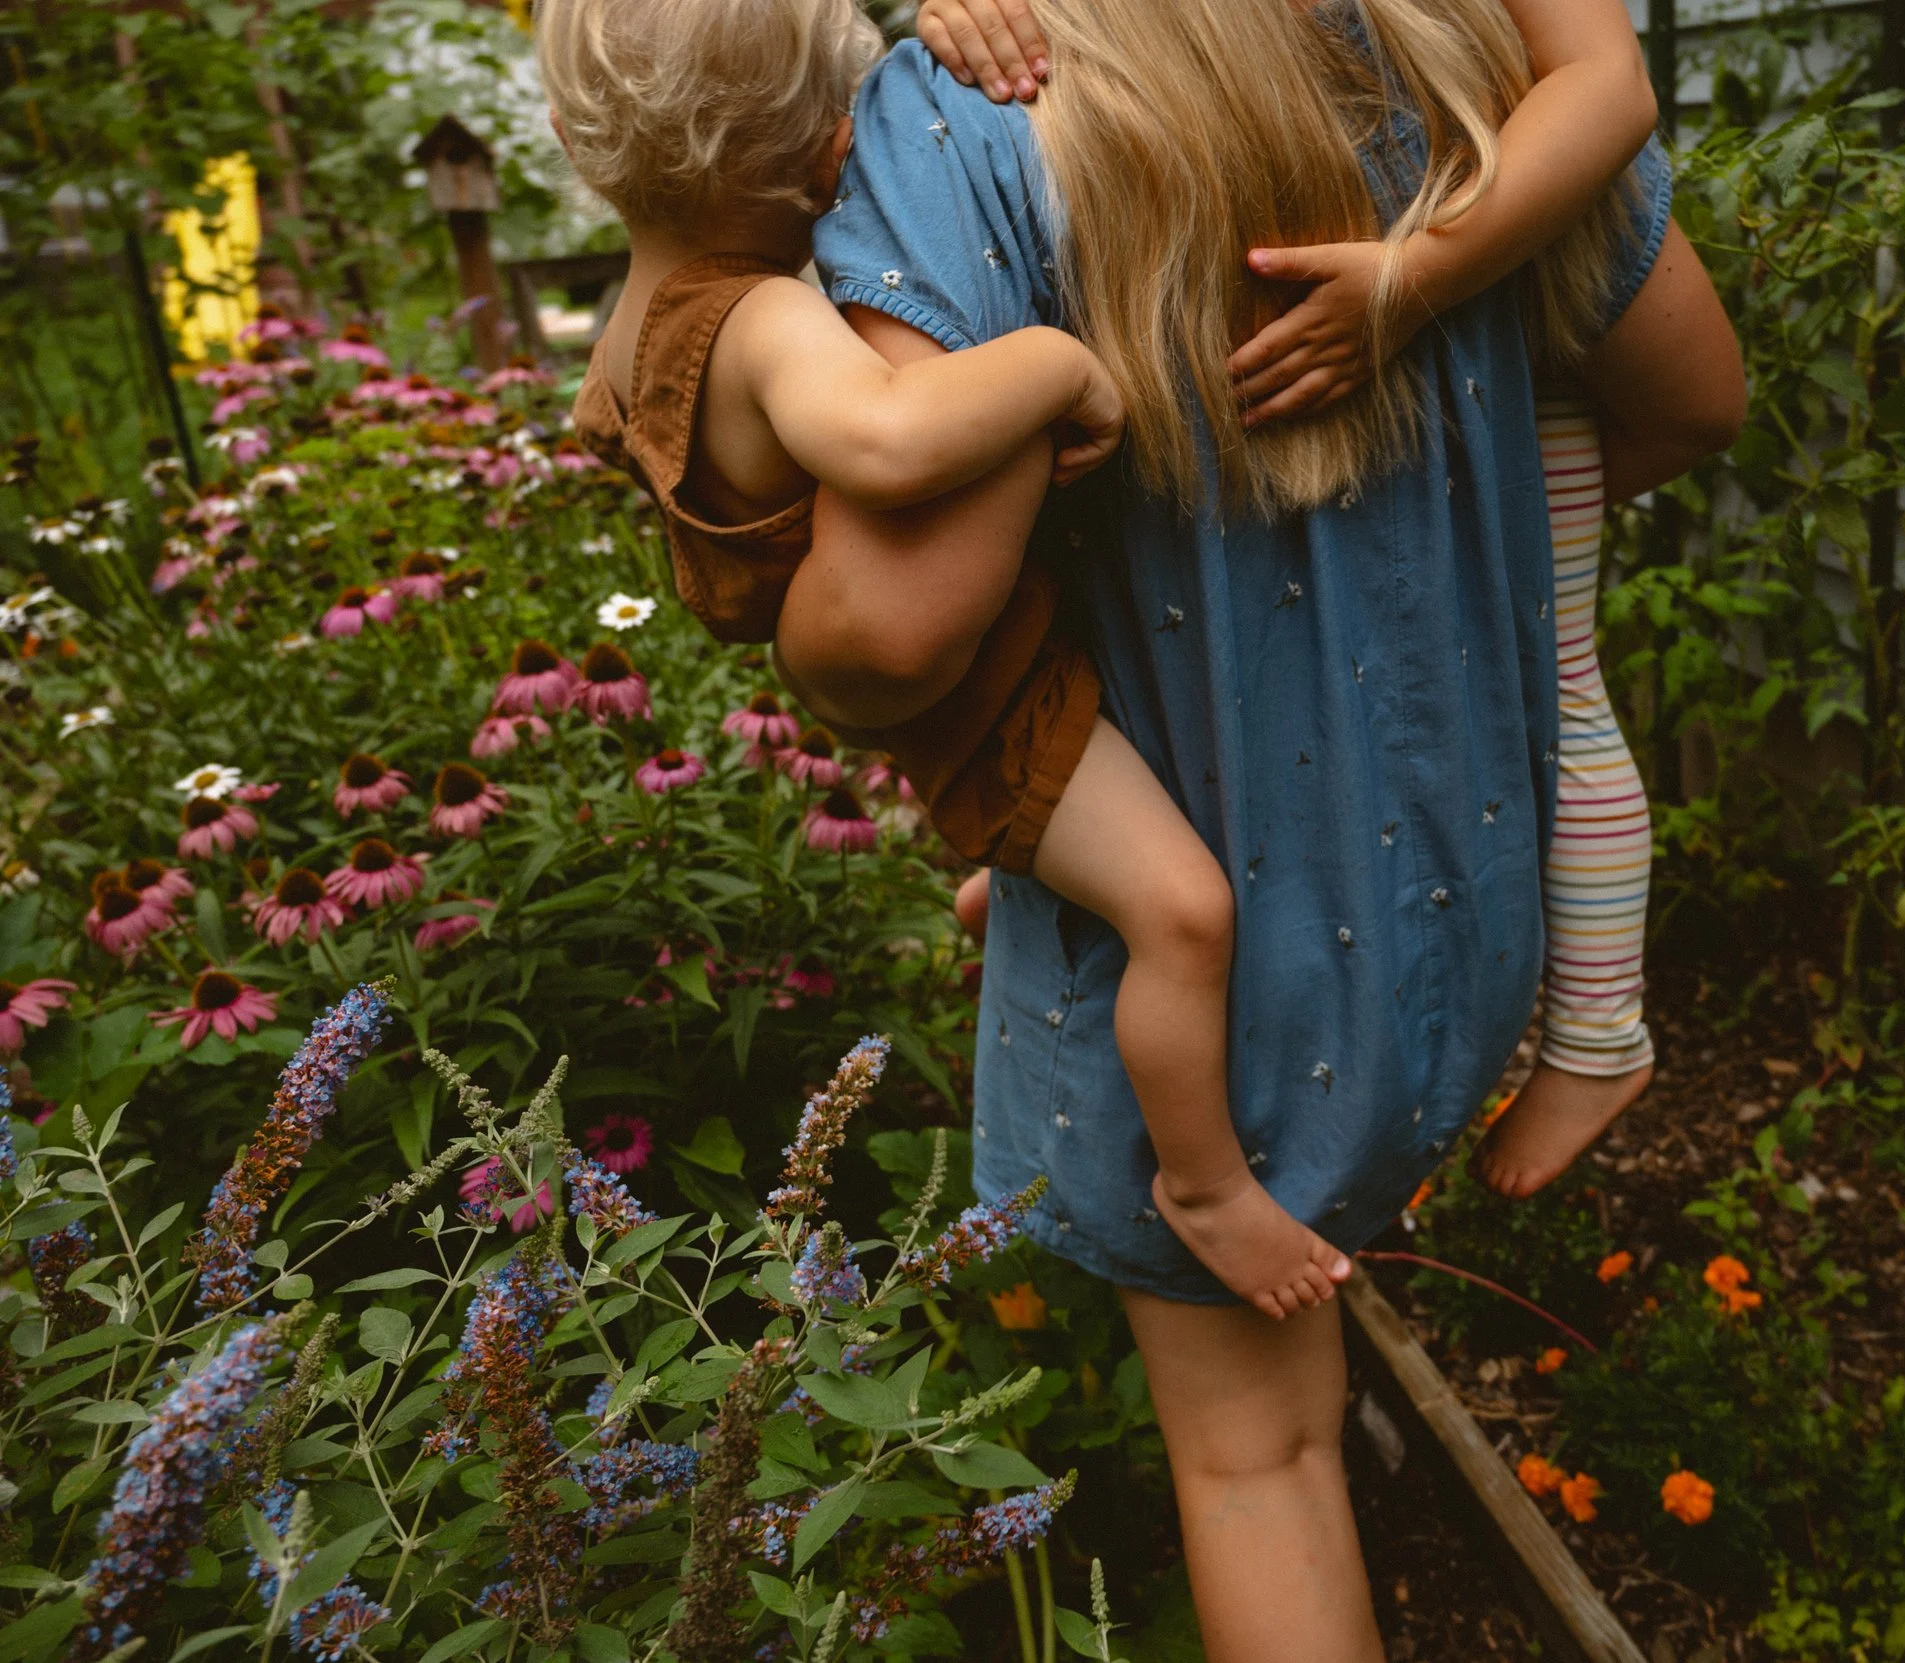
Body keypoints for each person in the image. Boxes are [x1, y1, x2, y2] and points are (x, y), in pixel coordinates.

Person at [776, 0, 1744, 1654]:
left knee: (1259, 1459)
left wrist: (779, 613)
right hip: (1467, 899)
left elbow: (898, 629)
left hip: (1211, 976)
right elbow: (1694, 397)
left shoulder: (970, 115)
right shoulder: (1466, 53)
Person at [538, 0, 1358, 1318]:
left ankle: (1011, 884)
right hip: (990, 700)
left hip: (924, 691)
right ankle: (1204, 1184)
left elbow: (616, 430)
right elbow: (888, 439)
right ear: (820, 150)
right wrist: (1057, 364)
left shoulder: (629, 325)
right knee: (1184, 914)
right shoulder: (758, 319)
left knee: (1083, 833)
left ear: (581, 140)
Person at [917, 0, 1743, 1197]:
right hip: (1455, 255)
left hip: (1509, 275)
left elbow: (1609, 84)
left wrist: (1416, 281)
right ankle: (1085, 877)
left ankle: (1599, 1034)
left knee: (1550, 682)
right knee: (1243, 636)